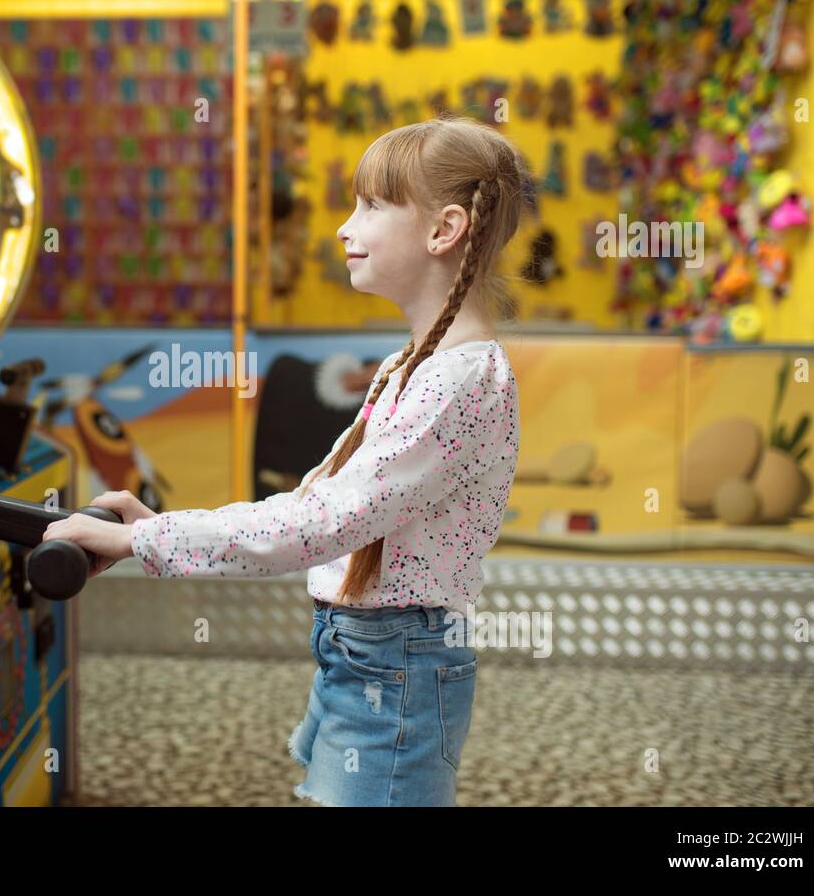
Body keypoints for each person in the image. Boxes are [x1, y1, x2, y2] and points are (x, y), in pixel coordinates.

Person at [42, 117, 525, 805]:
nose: (343, 227)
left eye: (371, 204)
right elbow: (314, 499)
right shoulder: (411, 366)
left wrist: (140, 540)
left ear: (443, 230)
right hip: (364, 657)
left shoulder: (457, 383)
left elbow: (317, 526)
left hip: (394, 669)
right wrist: (160, 523)